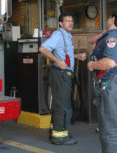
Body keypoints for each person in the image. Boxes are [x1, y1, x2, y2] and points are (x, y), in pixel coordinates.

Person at [39, 13, 86, 145]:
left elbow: (63, 53)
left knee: (60, 104)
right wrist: (58, 61)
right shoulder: (58, 35)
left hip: (64, 74)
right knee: (63, 106)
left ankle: (57, 131)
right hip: (60, 74)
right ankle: (59, 137)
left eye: (72, 21)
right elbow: (43, 49)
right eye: (67, 21)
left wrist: (76, 56)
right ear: (60, 23)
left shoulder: (66, 36)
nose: (70, 23)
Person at [87, 10, 117, 153]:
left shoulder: (113, 38)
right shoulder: (108, 35)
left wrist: (92, 65)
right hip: (109, 85)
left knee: (111, 131)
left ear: (112, 19)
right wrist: (106, 30)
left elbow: (110, 62)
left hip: (111, 85)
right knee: (112, 129)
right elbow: (91, 40)